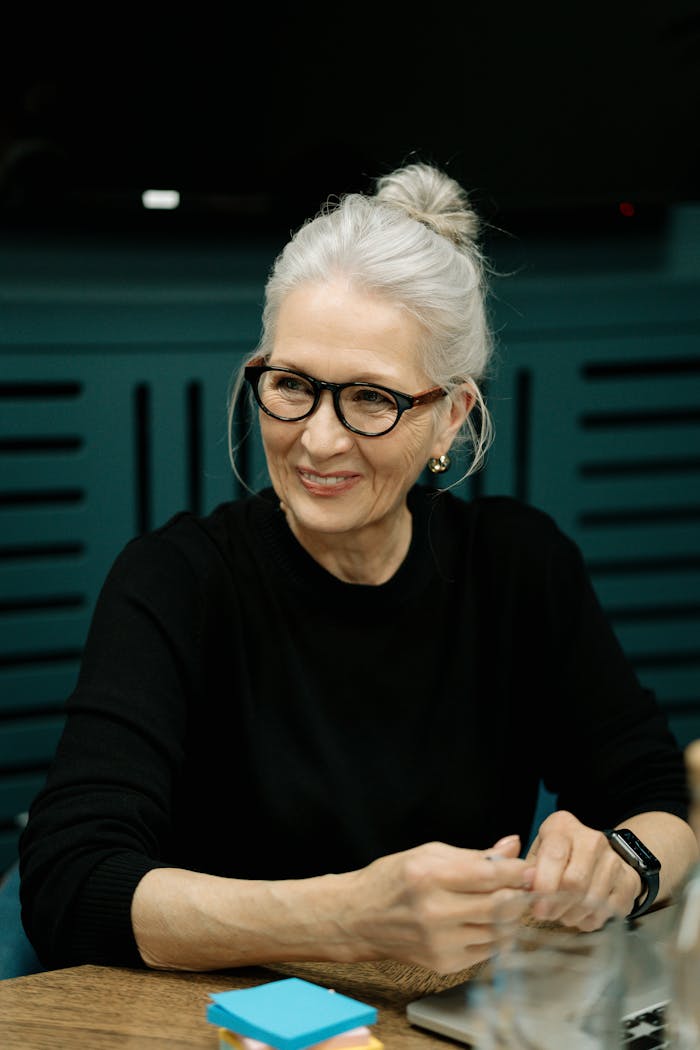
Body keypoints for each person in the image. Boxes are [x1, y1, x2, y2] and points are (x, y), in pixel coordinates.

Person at [19, 162, 698, 976]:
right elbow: (69, 884)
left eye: (372, 398)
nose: (318, 440)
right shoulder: (175, 581)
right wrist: (343, 919)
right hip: (217, 1022)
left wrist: (619, 867)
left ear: (451, 415)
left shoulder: (520, 566)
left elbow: (659, 799)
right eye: (291, 385)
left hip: (444, 1016)